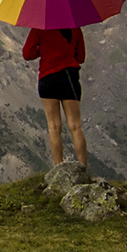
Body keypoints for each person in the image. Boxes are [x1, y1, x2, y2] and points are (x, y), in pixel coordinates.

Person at [22, 26, 87, 167]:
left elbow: (27, 54)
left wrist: (43, 50)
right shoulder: (75, 27)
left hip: (47, 77)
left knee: (54, 126)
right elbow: (80, 57)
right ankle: (83, 168)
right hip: (69, 77)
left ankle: (59, 168)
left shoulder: (39, 27)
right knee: (75, 126)